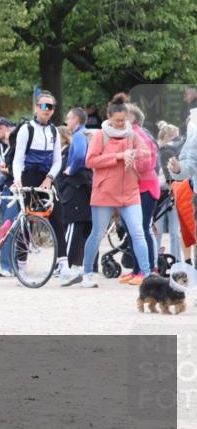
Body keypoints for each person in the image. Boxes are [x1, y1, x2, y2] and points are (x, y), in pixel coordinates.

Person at [79, 94, 153, 288]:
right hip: (104, 192)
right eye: (118, 121)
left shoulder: (132, 135)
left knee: (138, 232)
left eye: (123, 120)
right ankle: (86, 272)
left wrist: (135, 154)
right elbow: (90, 161)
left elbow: (147, 152)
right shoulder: (100, 136)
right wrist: (119, 156)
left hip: (130, 192)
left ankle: (146, 274)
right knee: (97, 233)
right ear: (109, 118)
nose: (121, 124)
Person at [1, 91, 63, 278]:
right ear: (37, 107)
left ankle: (64, 266)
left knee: (58, 217)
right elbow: (18, 159)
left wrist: (50, 178)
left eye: (50, 107)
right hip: (27, 176)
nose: (47, 110)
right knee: (25, 220)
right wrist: (18, 179)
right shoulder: (26, 129)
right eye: (43, 106)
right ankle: (21, 266)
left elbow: (58, 160)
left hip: (46, 178)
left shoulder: (54, 131)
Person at [122, 102, 161, 280]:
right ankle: (137, 269)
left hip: (145, 187)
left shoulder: (139, 134)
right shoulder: (127, 135)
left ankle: (151, 269)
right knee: (132, 229)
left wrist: (130, 164)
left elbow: (148, 162)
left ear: (132, 118)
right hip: (134, 188)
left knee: (143, 228)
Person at [58, 107, 94, 286]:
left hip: (76, 185)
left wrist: (70, 168)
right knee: (82, 226)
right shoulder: (85, 135)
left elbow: (80, 155)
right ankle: (79, 265)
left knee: (73, 225)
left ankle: (66, 264)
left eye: (69, 118)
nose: (66, 121)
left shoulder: (79, 136)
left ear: (77, 120)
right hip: (84, 185)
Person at [155, 122, 183, 262]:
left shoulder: (170, 151)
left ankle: (176, 260)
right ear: (167, 136)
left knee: (174, 231)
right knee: (160, 231)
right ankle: (156, 259)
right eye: (174, 137)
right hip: (162, 194)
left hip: (171, 193)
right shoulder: (158, 151)